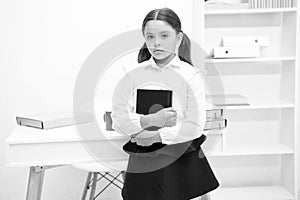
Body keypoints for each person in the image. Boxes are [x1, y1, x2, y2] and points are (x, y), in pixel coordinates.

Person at [111, 7, 219, 200]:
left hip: (178, 158)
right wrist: (149, 120)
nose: (157, 43)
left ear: (178, 38)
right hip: (143, 158)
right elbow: (118, 120)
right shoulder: (132, 74)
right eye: (150, 37)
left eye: (164, 36)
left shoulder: (191, 76)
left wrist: (156, 136)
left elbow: (194, 126)